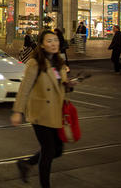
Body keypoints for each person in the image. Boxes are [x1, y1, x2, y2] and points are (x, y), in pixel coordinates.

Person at [11, 30, 73, 188]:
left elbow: (61, 85)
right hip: (40, 112)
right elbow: (24, 88)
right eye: (49, 41)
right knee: (49, 150)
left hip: (56, 112)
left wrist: (70, 85)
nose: (54, 44)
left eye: (56, 40)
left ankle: (26, 163)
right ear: (42, 45)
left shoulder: (59, 62)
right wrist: (17, 111)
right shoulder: (35, 63)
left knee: (57, 150)